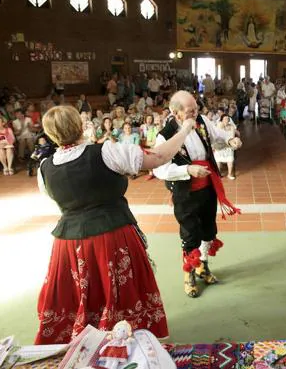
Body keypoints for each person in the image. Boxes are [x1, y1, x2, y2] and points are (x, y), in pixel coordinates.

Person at [35, 105, 198, 344]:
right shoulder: (105, 152)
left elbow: (57, 201)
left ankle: (88, 343)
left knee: (82, 293)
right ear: (81, 125)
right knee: (120, 293)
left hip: (68, 243)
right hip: (110, 235)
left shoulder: (45, 168)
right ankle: (126, 342)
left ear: (50, 134)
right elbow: (158, 157)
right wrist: (184, 130)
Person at [153, 91, 242, 298]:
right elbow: (158, 169)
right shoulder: (165, 135)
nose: (196, 112)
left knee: (208, 229)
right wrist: (187, 170)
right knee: (190, 233)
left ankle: (203, 265)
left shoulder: (201, 120)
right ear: (175, 113)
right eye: (190, 110)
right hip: (186, 191)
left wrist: (230, 141)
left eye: (196, 108)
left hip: (208, 185)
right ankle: (189, 274)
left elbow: (218, 136)